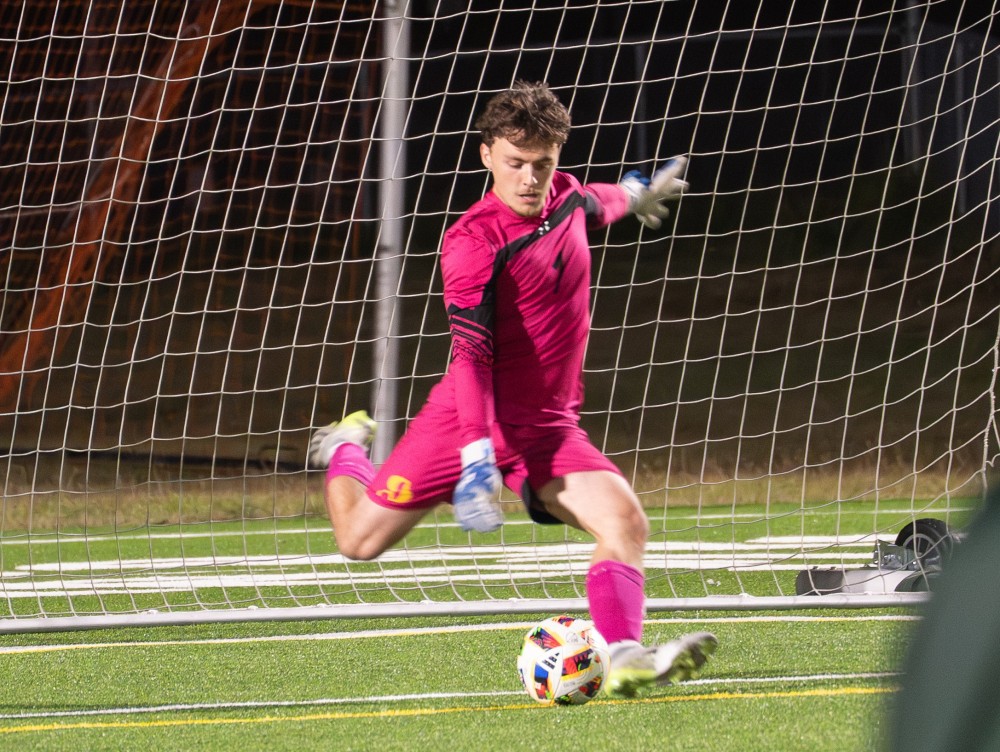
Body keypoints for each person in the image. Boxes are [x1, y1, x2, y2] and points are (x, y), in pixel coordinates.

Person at [309, 80, 717, 698]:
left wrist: (635, 194)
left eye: (542, 164)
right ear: (486, 156)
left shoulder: (566, 196)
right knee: (358, 543)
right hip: (466, 420)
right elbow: (471, 356)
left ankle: (627, 656)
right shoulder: (472, 242)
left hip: (546, 427)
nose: (529, 179)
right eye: (515, 163)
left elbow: (596, 200)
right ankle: (345, 446)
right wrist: (475, 454)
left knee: (625, 520)